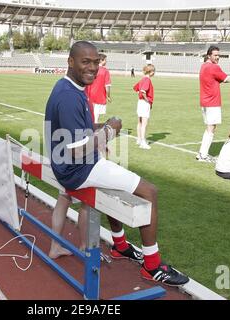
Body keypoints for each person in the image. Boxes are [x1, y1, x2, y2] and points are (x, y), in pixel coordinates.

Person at [44, 41, 189, 286]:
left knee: (115, 186)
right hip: (77, 169)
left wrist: (101, 128)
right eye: (85, 62)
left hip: (68, 164)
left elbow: (77, 131)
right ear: (70, 62)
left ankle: (120, 246)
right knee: (150, 192)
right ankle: (152, 267)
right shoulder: (70, 96)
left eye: (95, 62)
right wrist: (109, 132)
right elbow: (77, 152)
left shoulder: (67, 87)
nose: (92, 68)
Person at [197, 45, 229, 162]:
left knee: (209, 128)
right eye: (215, 55)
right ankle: (203, 155)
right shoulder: (214, 67)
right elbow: (227, 78)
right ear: (209, 55)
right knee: (211, 129)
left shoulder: (203, 66)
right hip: (212, 102)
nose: (218, 57)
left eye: (218, 55)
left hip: (205, 101)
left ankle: (201, 153)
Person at [133, 64, 155, 150]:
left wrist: (140, 95)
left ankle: (139, 139)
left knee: (140, 122)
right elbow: (143, 91)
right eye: (153, 71)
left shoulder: (143, 79)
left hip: (140, 102)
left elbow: (136, 88)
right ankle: (142, 142)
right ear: (151, 72)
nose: (154, 73)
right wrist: (148, 101)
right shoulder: (147, 80)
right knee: (144, 124)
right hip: (144, 103)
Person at [85, 53, 111, 124]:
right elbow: (107, 85)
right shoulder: (105, 71)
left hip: (89, 94)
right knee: (96, 116)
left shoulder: (91, 68)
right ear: (101, 60)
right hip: (99, 95)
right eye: (105, 60)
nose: (106, 62)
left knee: (90, 113)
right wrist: (108, 96)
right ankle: (93, 131)